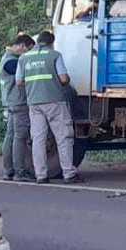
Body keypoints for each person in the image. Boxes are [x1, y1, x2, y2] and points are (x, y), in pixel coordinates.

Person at [16, 30, 82, 184]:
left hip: (34, 103)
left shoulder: (24, 58)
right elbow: (64, 78)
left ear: (38, 42)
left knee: (38, 139)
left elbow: (19, 82)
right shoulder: (54, 55)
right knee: (63, 137)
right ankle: (68, 173)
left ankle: (41, 175)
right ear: (51, 43)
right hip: (55, 101)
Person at [0, 33, 35, 181]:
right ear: (21, 46)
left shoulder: (8, 59)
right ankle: (20, 172)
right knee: (20, 137)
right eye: (29, 50)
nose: (29, 54)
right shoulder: (11, 62)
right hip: (19, 103)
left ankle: (9, 170)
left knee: (11, 137)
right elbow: (26, 70)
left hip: (12, 102)